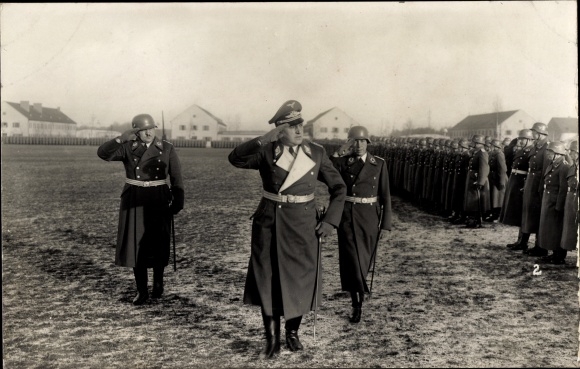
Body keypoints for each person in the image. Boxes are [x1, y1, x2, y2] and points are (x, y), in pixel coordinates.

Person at [228, 100, 346, 359]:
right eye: (292, 126)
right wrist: (261, 140)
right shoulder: (266, 152)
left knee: (300, 279)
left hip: (304, 225)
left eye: (301, 124)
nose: (299, 129)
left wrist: (329, 222)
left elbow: (340, 188)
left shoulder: (316, 153)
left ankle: (292, 332)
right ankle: (272, 339)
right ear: (279, 130)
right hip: (270, 222)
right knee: (268, 278)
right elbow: (235, 158)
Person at [97, 114, 184, 305]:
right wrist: (120, 138)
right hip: (134, 198)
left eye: (151, 128)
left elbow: (176, 176)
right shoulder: (128, 147)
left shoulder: (167, 148)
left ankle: (158, 282)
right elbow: (103, 153)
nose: (148, 133)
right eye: (144, 130)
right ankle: (142, 290)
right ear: (136, 132)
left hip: (159, 198)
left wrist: (178, 200)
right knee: (136, 245)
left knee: (159, 241)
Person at [330, 126, 392, 324]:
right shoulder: (342, 163)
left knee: (364, 261)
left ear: (368, 143)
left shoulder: (379, 164)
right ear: (349, 143)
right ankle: (357, 304)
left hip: (370, 218)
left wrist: (385, 224)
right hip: (347, 216)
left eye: (362, 141)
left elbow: (385, 196)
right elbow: (327, 171)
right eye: (354, 141)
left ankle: (358, 293)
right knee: (352, 261)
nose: (358, 145)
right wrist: (339, 151)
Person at [536, 141, 570, 264]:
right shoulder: (552, 165)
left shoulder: (564, 167)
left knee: (557, 229)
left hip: (555, 202)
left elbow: (563, 189)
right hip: (548, 201)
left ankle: (559, 256)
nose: (548, 154)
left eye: (550, 152)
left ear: (558, 154)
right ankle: (554, 253)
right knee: (550, 229)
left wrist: (559, 206)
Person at [501, 129, 534, 251]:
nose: (519, 141)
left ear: (529, 140)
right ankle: (520, 240)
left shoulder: (532, 151)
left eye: (522, 139)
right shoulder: (521, 150)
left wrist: (525, 184)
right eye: (519, 138)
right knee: (519, 213)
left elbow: (531, 171)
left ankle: (523, 241)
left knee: (523, 214)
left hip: (522, 183)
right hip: (515, 182)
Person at [521, 122, 551, 257]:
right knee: (531, 215)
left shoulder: (547, 147)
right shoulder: (537, 146)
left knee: (539, 215)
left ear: (540, 134)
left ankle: (541, 247)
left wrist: (541, 188)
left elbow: (545, 170)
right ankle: (532, 244)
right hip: (531, 184)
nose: (532, 134)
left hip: (539, 185)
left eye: (534, 132)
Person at [463, 134, 490, 228]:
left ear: (478, 143)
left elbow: (484, 168)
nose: (472, 144)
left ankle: (476, 220)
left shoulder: (482, 153)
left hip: (476, 179)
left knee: (476, 201)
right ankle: (473, 219)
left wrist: (480, 182)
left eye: (474, 142)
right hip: (471, 179)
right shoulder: (476, 152)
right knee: (471, 201)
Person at [560, 140, 578, 262]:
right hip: (571, 199)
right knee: (568, 229)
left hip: (576, 200)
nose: (570, 153)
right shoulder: (574, 165)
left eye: (572, 151)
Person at [484, 139, 508, 222]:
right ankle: (494, 214)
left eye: (492, 145)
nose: (490, 147)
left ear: (495, 147)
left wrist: (501, 181)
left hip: (499, 178)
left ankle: (497, 215)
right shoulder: (493, 154)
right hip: (493, 178)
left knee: (498, 198)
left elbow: (502, 169)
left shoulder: (499, 154)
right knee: (495, 198)